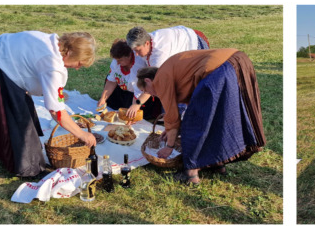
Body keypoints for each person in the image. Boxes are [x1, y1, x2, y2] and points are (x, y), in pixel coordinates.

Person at [0, 30, 98, 176]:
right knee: (16, 118)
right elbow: (57, 112)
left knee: (16, 109)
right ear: (69, 53)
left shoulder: (51, 42)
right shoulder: (52, 65)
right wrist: (82, 134)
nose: (77, 68)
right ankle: (26, 167)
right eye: (79, 63)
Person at [136, 48, 266, 186]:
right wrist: (170, 131)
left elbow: (172, 115)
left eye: (145, 90)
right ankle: (217, 163)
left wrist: (169, 146)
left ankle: (190, 174)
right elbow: (187, 107)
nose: (150, 94)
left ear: (148, 81)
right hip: (238, 62)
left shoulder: (160, 78)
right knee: (216, 120)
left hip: (219, 69)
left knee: (195, 123)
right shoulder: (172, 71)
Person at [95, 39, 161, 122]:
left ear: (129, 56)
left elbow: (146, 89)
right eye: (116, 60)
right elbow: (111, 81)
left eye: (120, 60)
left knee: (132, 111)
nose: (118, 63)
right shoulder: (116, 61)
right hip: (125, 90)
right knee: (114, 102)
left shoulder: (139, 65)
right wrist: (103, 98)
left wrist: (135, 106)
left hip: (141, 93)